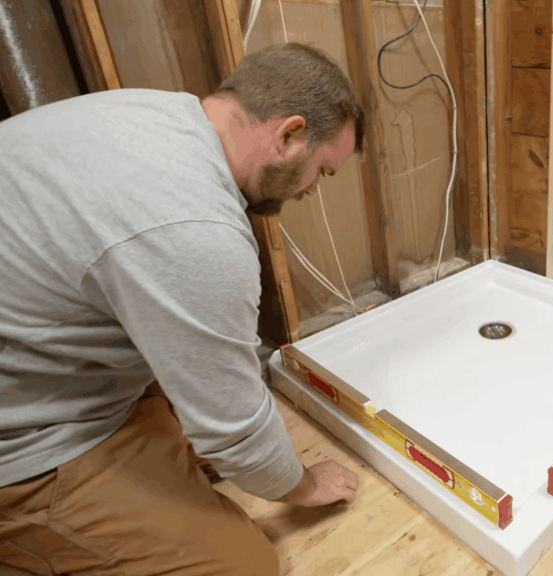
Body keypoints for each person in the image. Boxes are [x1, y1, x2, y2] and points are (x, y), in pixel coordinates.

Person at [0, 42, 363, 575]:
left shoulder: (148, 112)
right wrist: (303, 486)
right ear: (288, 134)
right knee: (245, 565)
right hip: (22, 443)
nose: (313, 191)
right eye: (322, 172)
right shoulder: (195, 231)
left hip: (32, 359)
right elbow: (232, 430)